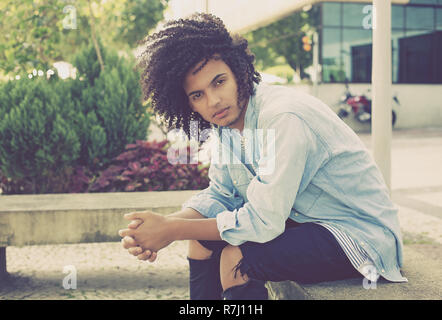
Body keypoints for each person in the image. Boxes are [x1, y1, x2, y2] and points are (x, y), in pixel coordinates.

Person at [118, 13, 407, 300]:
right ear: (188, 103)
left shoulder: (282, 116)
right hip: (309, 221)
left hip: (360, 235)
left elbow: (264, 220)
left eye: (219, 82)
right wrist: (163, 226)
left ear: (238, 71)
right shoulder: (229, 122)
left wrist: (171, 229)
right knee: (200, 241)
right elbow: (222, 195)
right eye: (198, 95)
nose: (213, 101)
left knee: (237, 260)